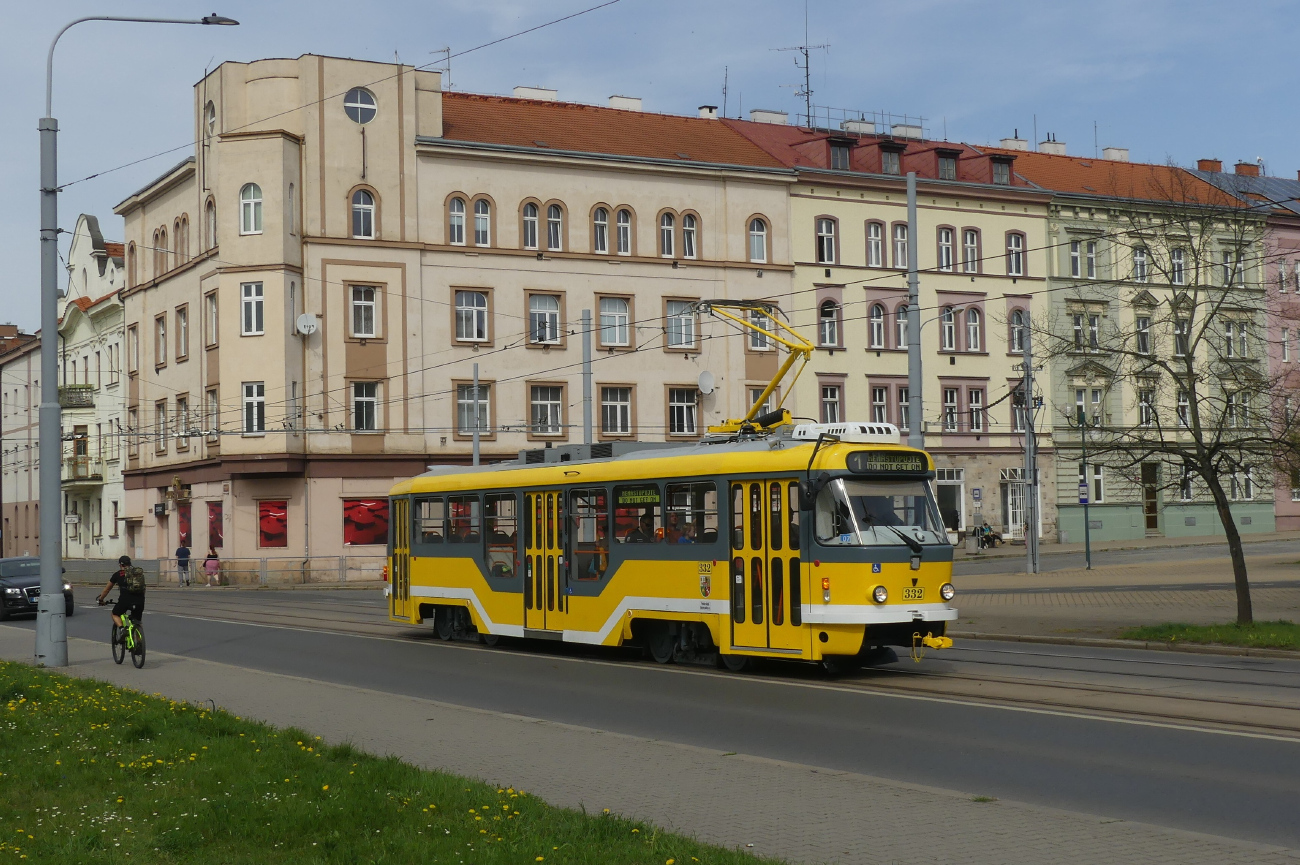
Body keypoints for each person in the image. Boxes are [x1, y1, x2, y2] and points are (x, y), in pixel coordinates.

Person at [96, 555, 145, 632]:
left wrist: (101, 599)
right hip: (140, 601)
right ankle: (139, 641)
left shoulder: (118, 574)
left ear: (120, 565)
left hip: (125, 600)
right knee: (137, 622)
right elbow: (143, 588)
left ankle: (122, 629)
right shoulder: (137, 574)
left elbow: (107, 589)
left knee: (114, 614)